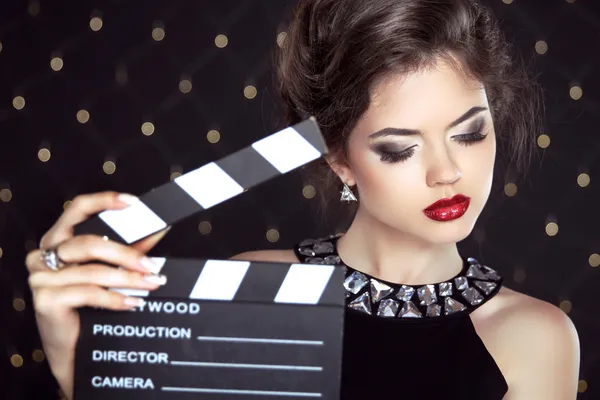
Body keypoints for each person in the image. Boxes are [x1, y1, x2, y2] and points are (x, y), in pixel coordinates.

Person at [26, 0, 580, 398]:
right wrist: (81, 369)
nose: (447, 172)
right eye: (397, 149)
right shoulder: (249, 296)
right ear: (340, 159)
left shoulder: (535, 336)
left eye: (469, 132)